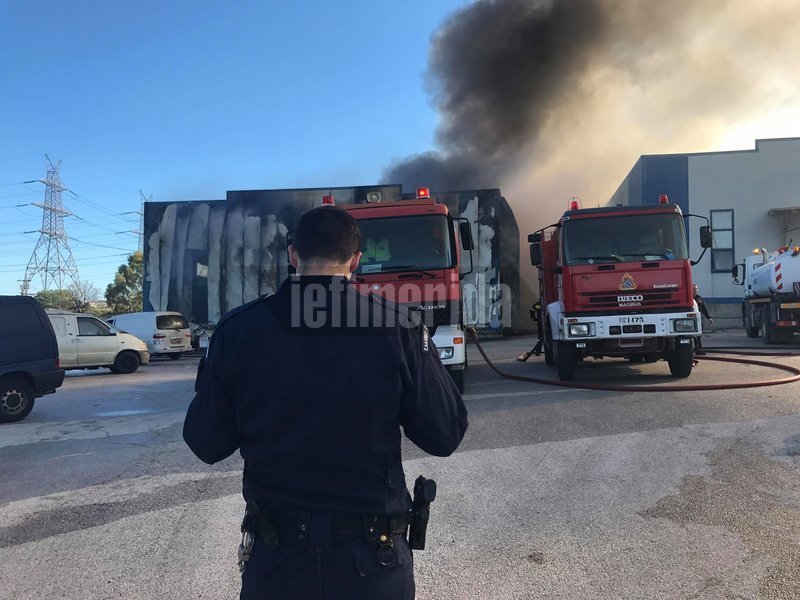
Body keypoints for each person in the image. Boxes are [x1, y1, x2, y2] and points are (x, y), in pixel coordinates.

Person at [183, 205, 468, 600]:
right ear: (355, 261)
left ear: (293, 255)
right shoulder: (398, 326)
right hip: (373, 562)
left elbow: (206, 443)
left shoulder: (239, 330)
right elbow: (445, 434)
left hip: (277, 564)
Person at [693, 284, 713, 353]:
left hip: (699, 319)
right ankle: (694, 348)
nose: (695, 290)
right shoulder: (689, 298)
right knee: (693, 335)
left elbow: (704, 309)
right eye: (693, 289)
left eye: (696, 289)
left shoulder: (699, 298)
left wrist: (709, 318)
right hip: (691, 320)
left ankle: (699, 348)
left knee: (699, 334)